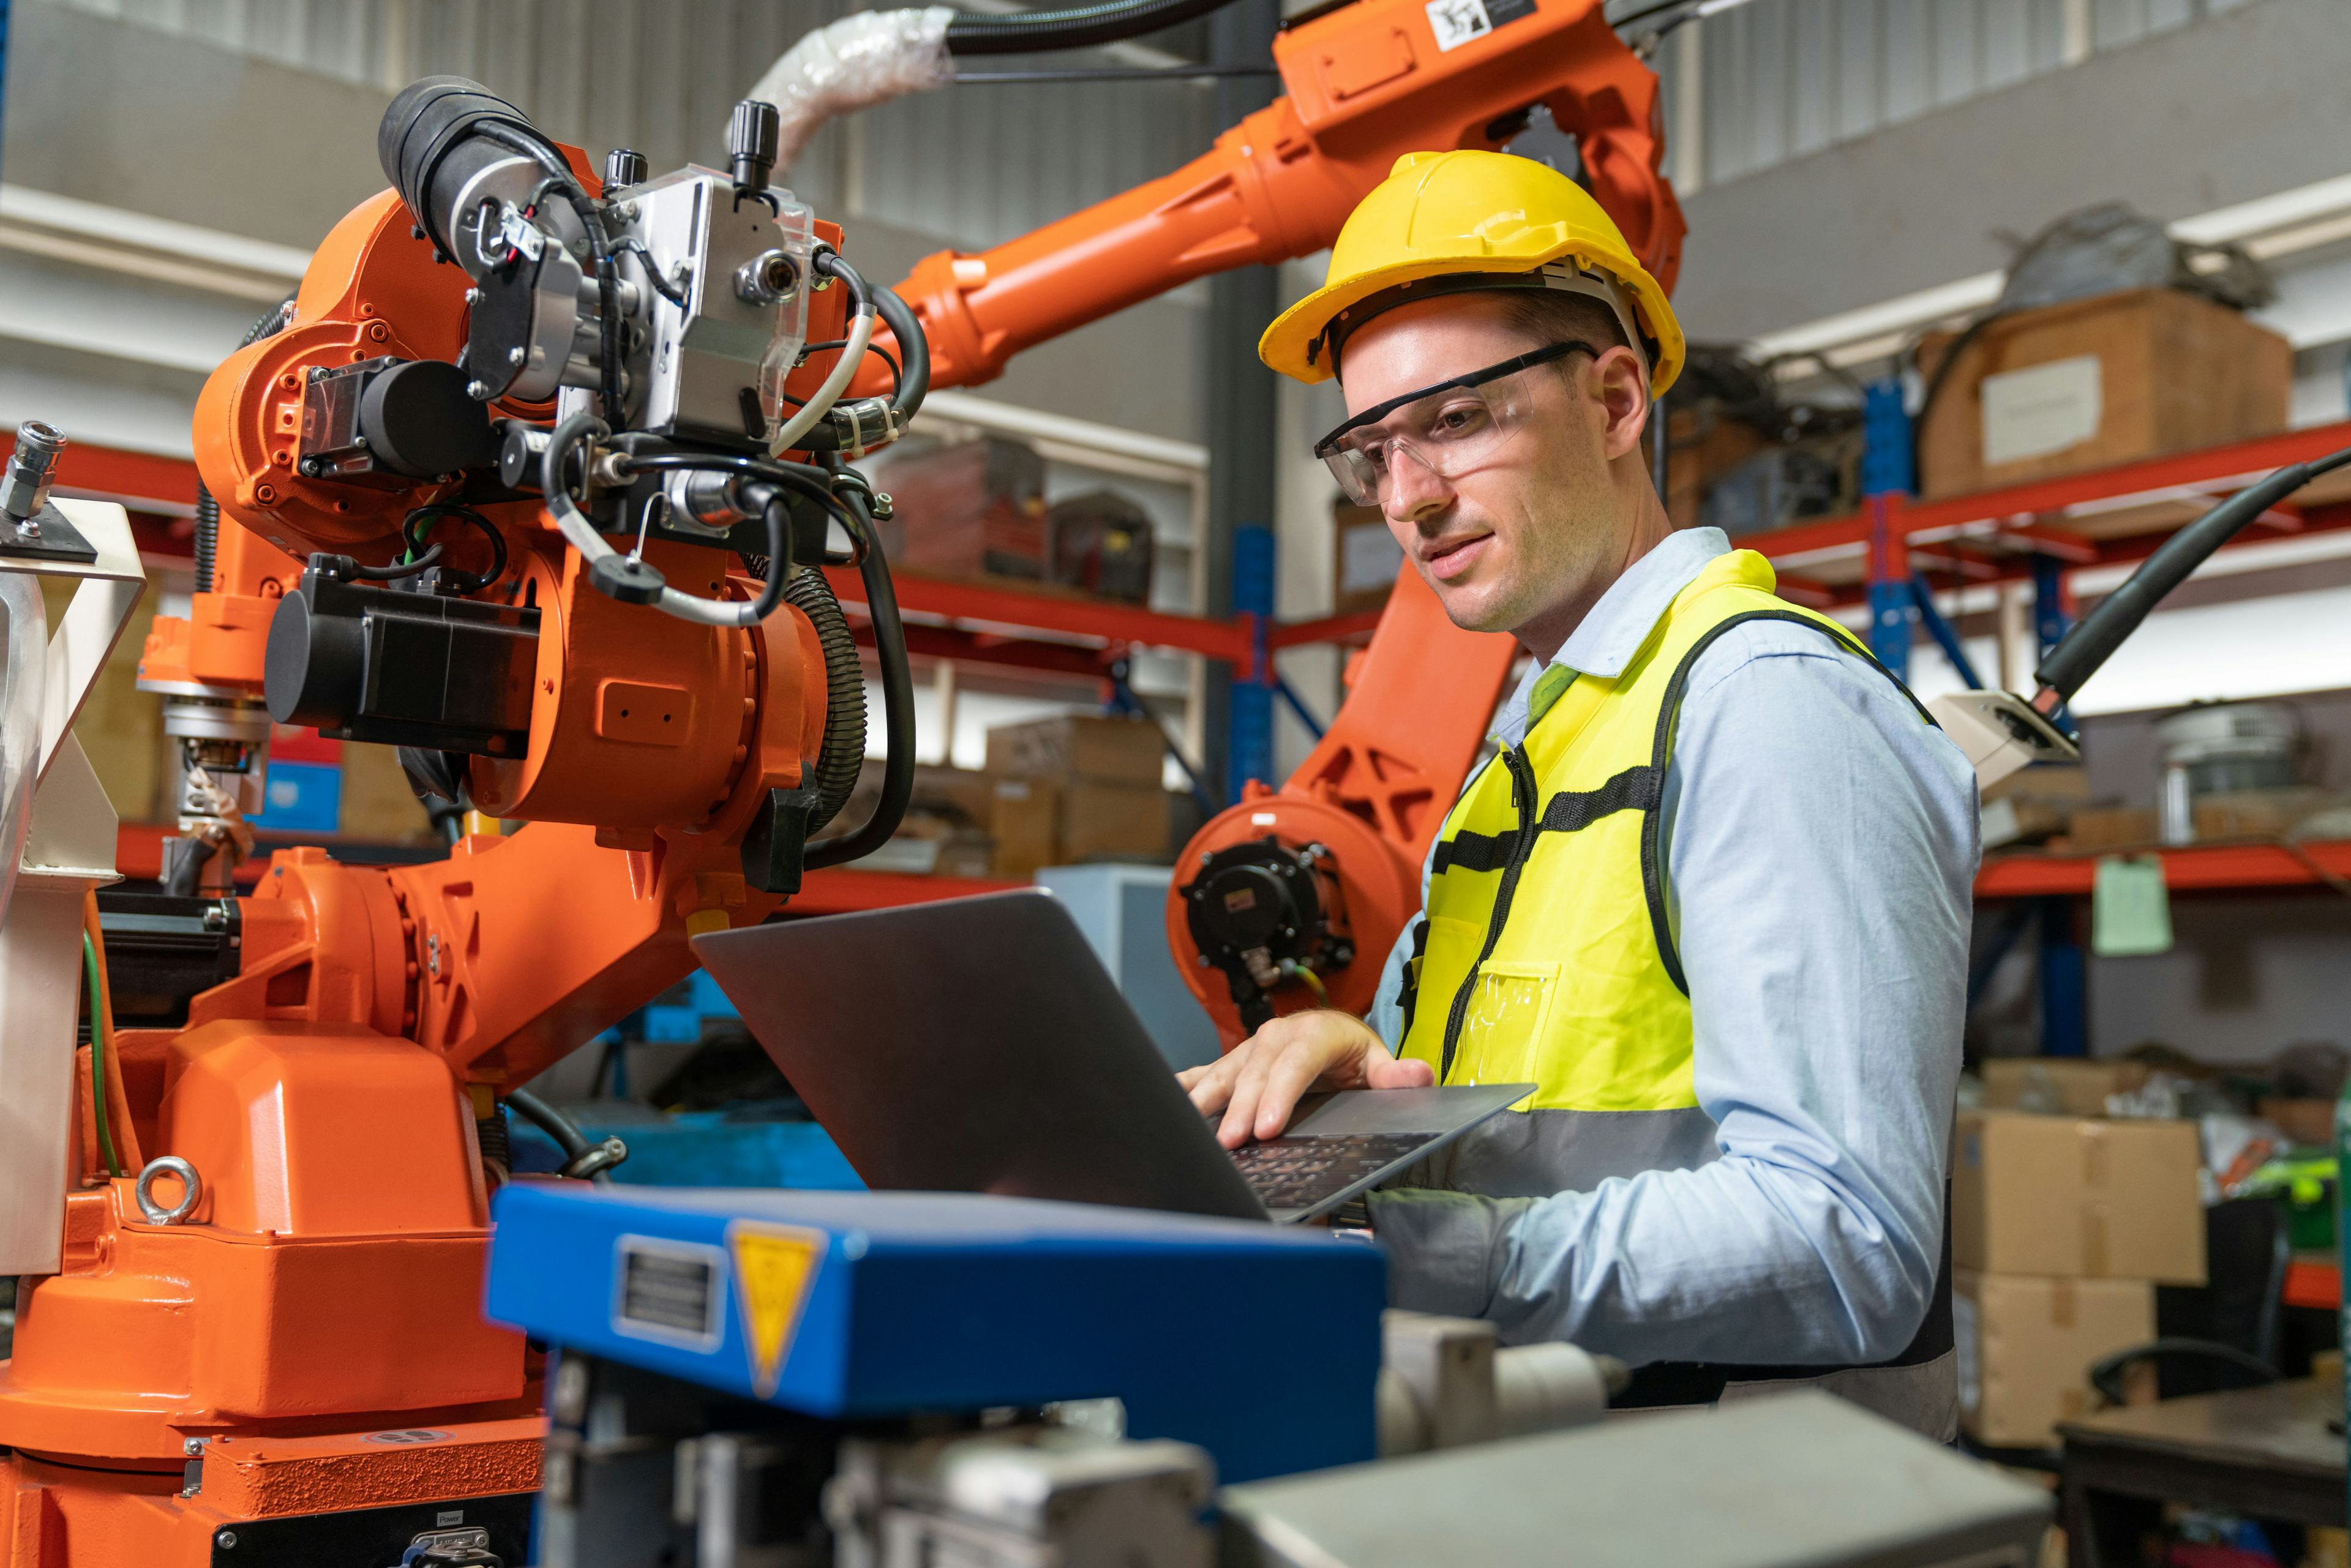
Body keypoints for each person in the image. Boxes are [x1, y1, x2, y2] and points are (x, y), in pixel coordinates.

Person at [1179, 150, 1977, 1438]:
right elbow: (1489, 1114)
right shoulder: (1536, 741)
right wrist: (1340, 1076)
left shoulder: (1763, 709)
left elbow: (1851, 1242)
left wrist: (1414, 1261)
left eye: (1456, 420)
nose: (1409, 499)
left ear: (1615, 401)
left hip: (1750, 1507)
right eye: (1371, 450)